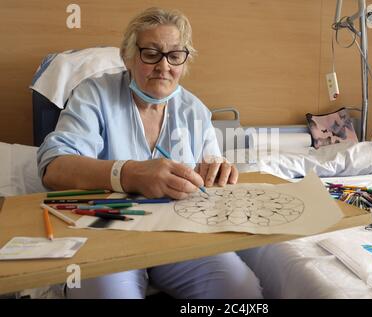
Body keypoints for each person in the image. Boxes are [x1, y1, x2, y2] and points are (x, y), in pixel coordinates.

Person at [37, 7, 262, 299]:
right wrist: (128, 173)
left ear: (184, 60)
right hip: (108, 230)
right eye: (151, 53)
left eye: (174, 55)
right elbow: (54, 168)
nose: (163, 66)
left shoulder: (195, 111)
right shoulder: (94, 95)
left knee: (239, 290)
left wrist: (219, 171)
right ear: (128, 57)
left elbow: (210, 169)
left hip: (177, 234)